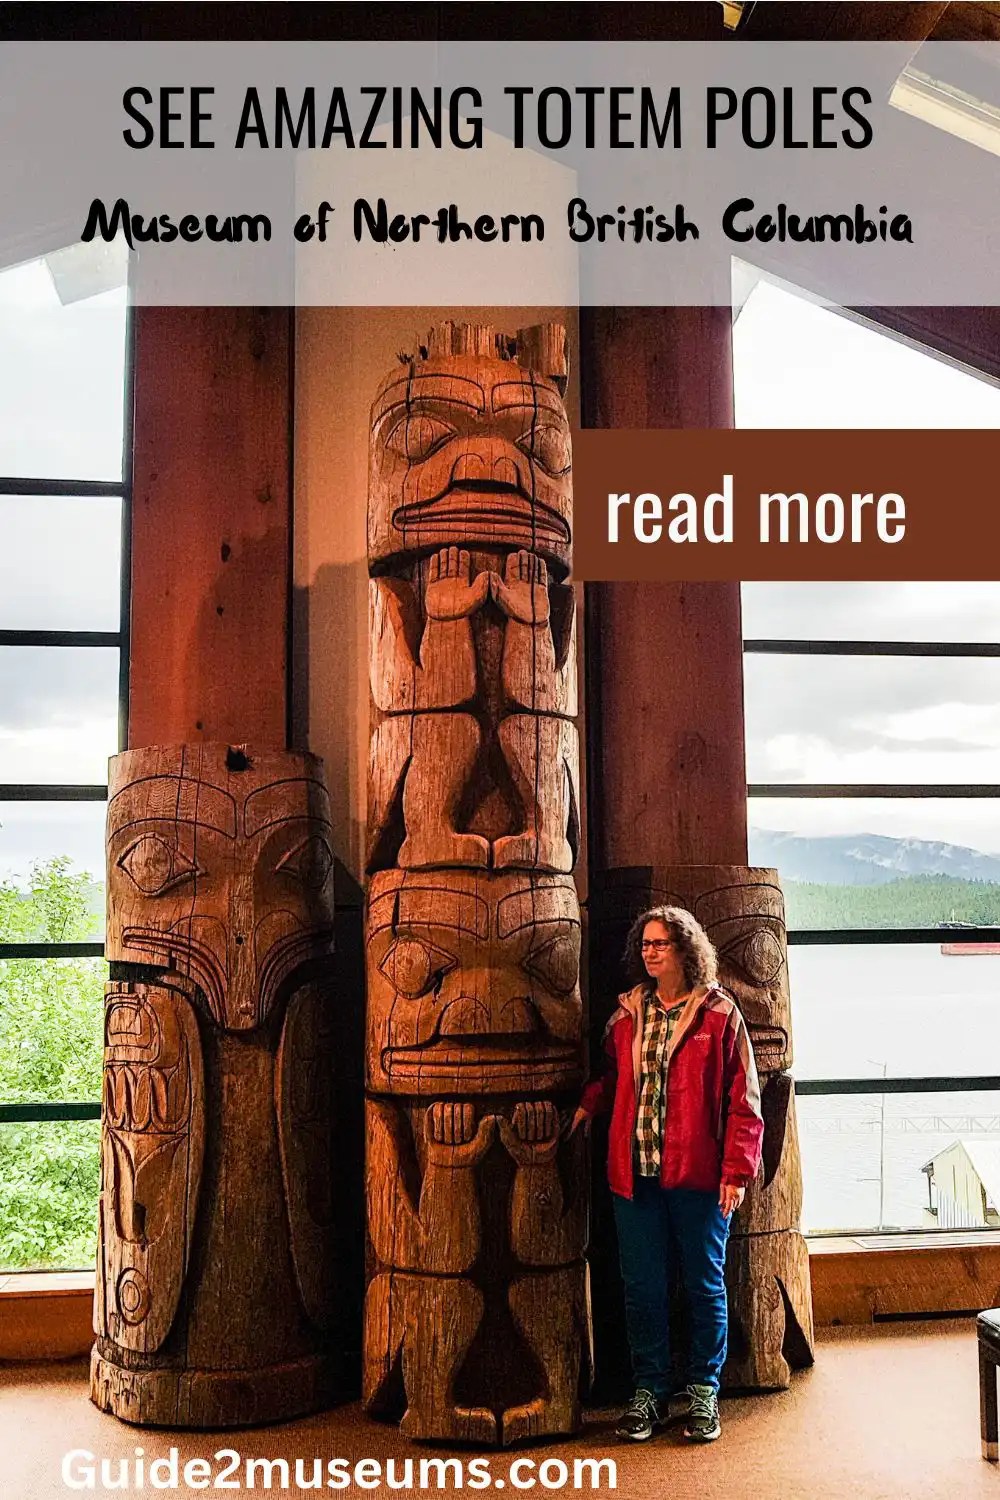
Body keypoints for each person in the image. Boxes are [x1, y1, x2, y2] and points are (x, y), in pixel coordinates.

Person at [569, 905, 763, 1444]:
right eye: (646, 944)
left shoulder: (720, 1015)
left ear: (686, 949)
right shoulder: (627, 1014)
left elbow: (743, 1100)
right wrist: (589, 1104)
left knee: (704, 1285)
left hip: (699, 1176)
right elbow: (613, 1077)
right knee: (642, 1288)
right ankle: (649, 1392)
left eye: (662, 943)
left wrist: (736, 1171)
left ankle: (703, 1392)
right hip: (634, 1174)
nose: (650, 952)